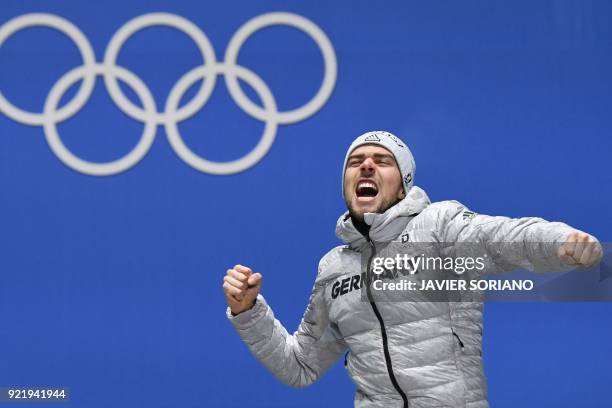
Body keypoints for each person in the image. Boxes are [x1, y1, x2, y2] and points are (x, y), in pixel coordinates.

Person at [222, 131, 602, 408]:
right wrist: (248, 312)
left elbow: (501, 236)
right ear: (346, 187)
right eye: (356, 162)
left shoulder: (439, 226)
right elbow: (299, 366)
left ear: (403, 187)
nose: (366, 165)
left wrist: (559, 242)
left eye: (381, 161)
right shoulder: (334, 268)